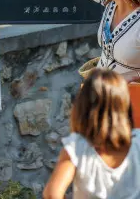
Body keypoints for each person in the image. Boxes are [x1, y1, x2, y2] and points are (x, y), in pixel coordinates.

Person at [43, 68, 140, 198]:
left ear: (82, 106)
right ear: (125, 106)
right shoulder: (138, 142)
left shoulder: (77, 148)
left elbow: (52, 194)